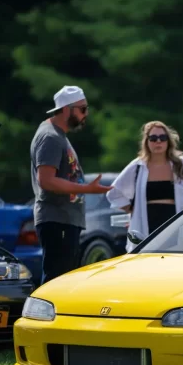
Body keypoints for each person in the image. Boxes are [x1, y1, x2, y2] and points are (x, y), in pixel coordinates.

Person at [30, 85, 111, 284]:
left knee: (62, 280)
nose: (86, 114)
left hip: (64, 220)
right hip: (57, 219)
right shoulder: (50, 137)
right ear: (67, 109)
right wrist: (87, 189)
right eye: (83, 109)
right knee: (56, 281)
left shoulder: (58, 136)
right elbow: (46, 180)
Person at [106, 120, 183, 251]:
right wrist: (132, 210)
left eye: (162, 138)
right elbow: (113, 192)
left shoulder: (181, 164)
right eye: (153, 138)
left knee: (173, 261)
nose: (158, 142)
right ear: (146, 142)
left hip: (173, 220)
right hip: (145, 221)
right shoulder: (137, 166)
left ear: (168, 141)